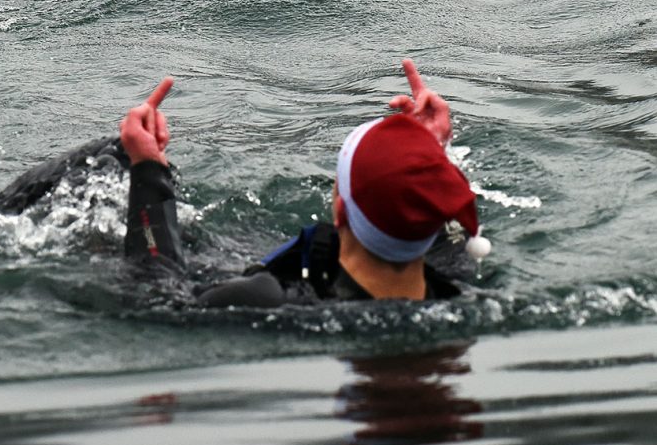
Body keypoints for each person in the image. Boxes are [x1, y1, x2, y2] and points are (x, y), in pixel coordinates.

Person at [117, 60, 491, 306]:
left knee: (108, 160)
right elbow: (433, 204)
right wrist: (429, 151)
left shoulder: (263, 297)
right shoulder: (456, 285)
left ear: (340, 208)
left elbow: (156, 292)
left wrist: (148, 169)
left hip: (216, 263)